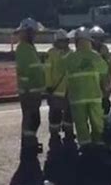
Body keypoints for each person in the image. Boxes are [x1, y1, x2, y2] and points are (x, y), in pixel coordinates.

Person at [63, 27, 109, 158]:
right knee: (97, 121)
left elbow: (63, 74)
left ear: (76, 41)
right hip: (94, 95)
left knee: (81, 122)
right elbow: (104, 71)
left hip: (77, 97)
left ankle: (85, 145)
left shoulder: (70, 57)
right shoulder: (95, 56)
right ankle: (98, 143)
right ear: (89, 41)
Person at [14, 18, 45, 159]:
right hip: (29, 92)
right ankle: (29, 144)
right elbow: (27, 72)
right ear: (27, 32)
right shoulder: (24, 49)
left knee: (32, 119)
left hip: (33, 90)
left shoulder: (28, 47)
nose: (35, 35)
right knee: (31, 119)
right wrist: (29, 89)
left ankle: (30, 142)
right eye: (33, 33)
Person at [45, 29, 74, 149]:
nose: (64, 43)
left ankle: (69, 131)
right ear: (56, 42)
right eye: (61, 41)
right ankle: (54, 133)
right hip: (55, 90)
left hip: (69, 90)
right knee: (55, 113)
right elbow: (47, 71)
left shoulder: (71, 54)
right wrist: (48, 87)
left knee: (69, 113)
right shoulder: (51, 54)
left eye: (65, 41)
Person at [89, 26, 111, 115]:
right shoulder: (87, 50)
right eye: (95, 38)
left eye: (99, 38)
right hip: (91, 80)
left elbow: (110, 63)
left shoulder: (104, 48)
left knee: (105, 102)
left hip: (104, 79)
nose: (97, 41)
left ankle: (105, 119)